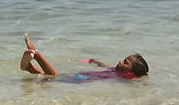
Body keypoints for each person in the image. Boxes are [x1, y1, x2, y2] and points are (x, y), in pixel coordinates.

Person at [19, 34, 148, 80]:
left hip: (82, 79)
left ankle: (36, 54)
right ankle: (29, 68)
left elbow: (137, 79)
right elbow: (106, 67)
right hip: (85, 75)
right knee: (48, 76)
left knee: (55, 76)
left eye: (125, 62)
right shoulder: (116, 71)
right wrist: (97, 62)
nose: (120, 61)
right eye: (123, 59)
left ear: (131, 72)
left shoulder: (127, 77)